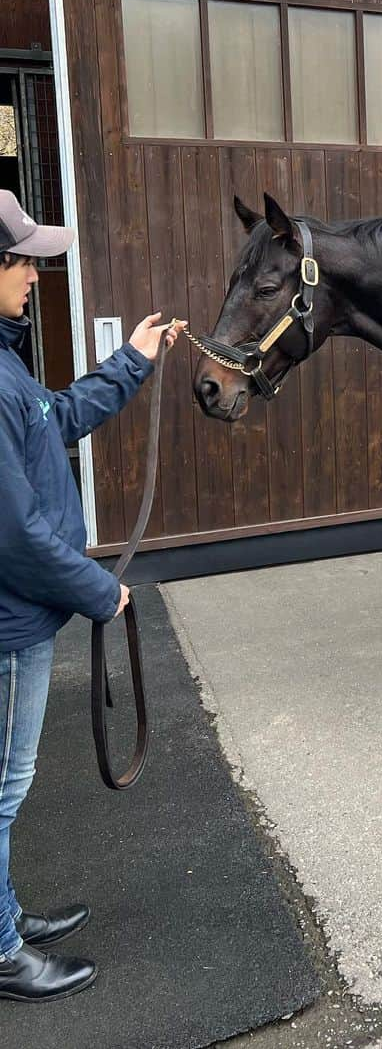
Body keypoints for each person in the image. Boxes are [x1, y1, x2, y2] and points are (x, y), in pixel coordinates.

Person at [0, 190, 183, 1003]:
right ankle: (2, 952)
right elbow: (13, 534)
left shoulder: (7, 366)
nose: (37, 275)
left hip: (21, 615)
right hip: (10, 624)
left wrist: (134, 361)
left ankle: (1, 916)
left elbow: (58, 417)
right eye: (24, 260)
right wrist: (98, 591)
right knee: (4, 786)